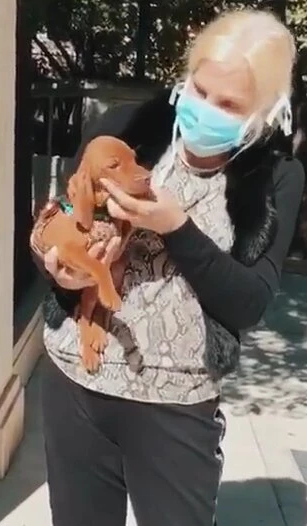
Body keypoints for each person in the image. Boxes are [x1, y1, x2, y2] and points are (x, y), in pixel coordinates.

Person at [32, 9, 304, 526]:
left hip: (175, 405)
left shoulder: (275, 178)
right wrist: (56, 268)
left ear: (264, 112)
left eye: (229, 105)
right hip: (75, 383)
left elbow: (249, 303)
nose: (207, 110)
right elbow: (61, 217)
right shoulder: (125, 131)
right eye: (200, 90)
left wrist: (177, 227)